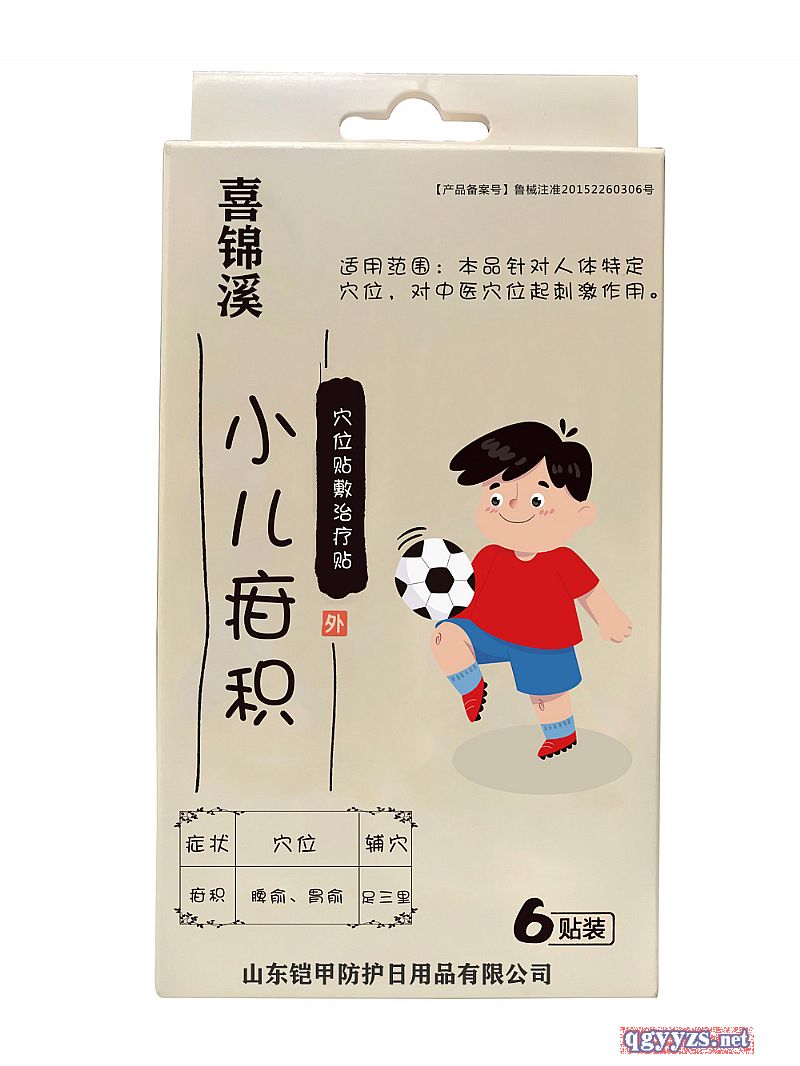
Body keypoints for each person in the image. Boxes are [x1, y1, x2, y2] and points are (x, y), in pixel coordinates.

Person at [431, 419, 632, 760]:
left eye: (537, 498)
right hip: (489, 630)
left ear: (581, 513)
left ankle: (561, 735)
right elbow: (468, 592)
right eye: (496, 495)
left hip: (544, 639)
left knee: (547, 697)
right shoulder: (489, 555)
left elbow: (589, 592)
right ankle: (470, 685)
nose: (511, 505)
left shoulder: (563, 560)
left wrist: (609, 618)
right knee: (444, 637)